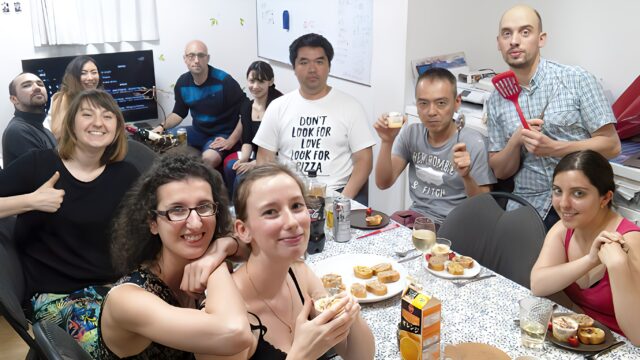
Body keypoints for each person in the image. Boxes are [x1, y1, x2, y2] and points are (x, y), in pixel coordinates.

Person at [0, 89, 136, 356]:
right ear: (71, 123)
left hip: (116, 288)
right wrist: (31, 201)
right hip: (56, 297)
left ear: (117, 127)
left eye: (108, 116)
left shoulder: (126, 173)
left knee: (165, 336)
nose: (98, 122)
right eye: (87, 114)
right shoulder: (38, 164)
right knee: (117, 346)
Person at [97, 153, 252, 358]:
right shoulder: (126, 299)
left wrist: (221, 247)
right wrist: (216, 262)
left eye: (204, 206)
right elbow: (235, 334)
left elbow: (252, 244)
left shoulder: (196, 261)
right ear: (153, 223)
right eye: (177, 210)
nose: (195, 223)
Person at [214, 163, 374, 360]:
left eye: (297, 206)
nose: (292, 222)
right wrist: (303, 354)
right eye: (270, 212)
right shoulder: (227, 312)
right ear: (243, 230)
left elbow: (359, 357)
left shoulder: (299, 272)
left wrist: (352, 314)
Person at [486, 5, 621, 230]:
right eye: (507, 33)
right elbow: (501, 171)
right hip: (527, 207)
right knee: (515, 264)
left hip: (581, 207)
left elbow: (611, 145)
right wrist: (516, 139)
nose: (514, 41)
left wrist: (555, 148)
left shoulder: (576, 79)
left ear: (541, 39)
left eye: (525, 32)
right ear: (499, 42)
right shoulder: (496, 99)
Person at [530, 150, 640, 345]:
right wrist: (590, 260)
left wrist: (617, 267)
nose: (564, 204)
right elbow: (538, 285)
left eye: (578, 193)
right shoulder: (563, 228)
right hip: (581, 342)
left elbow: (638, 336)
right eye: (557, 191)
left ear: (605, 198)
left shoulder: (631, 242)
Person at [253, 33, 375, 205]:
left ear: (329, 66)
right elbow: (264, 158)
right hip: (289, 196)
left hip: (335, 194)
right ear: (294, 67)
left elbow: (364, 160)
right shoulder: (278, 107)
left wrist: (341, 202)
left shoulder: (350, 106)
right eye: (304, 62)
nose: (312, 69)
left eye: (319, 61)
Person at [374, 67, 495, 224]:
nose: (431, 112)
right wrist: (387, 141)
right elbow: (383, 183)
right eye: (423, 103)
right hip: (416, 218)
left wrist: (466, 176)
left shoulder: (473, 143)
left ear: (457, 102)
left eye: (441, 103)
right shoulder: (411, 133)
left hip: (455, 224)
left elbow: (483, 207)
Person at [152, 40, 246, 169]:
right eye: (191, 55)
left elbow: (246, 111)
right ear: (185, 59)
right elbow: (179, 113)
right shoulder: (182, 82)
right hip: (198, 131)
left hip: (222, 134)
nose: (196, 60)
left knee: (208, 159)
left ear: (207, 58)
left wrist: (231, 140)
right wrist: (161, 126)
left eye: (201, 56)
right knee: (160, 142)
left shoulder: (224, 81)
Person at [223, 60, 283, 196]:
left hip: (277, 158)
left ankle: (243, 211)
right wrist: (243, 159)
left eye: (261, 82)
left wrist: (256, 163)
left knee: (242, 178)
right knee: (231, 167)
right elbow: (247, 141)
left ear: (270, 81)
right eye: (251, 81)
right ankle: (234, 208)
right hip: (257, 156)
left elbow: (281, 147)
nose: (255, 86)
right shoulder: (247, 106)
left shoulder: (279, 105)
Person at [3, 72, 56, 167]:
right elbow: (49, 172)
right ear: (14, 99)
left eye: (40, 84)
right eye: (27, 85)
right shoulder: (18, 130)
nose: (37, 87)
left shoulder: (45, 130)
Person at [49, 55, 103, 140]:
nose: (90, 78)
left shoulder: (100, 98)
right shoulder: (64, 98)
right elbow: (58, 133)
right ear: (73, 77)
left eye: (94, 72)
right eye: (83, 73)